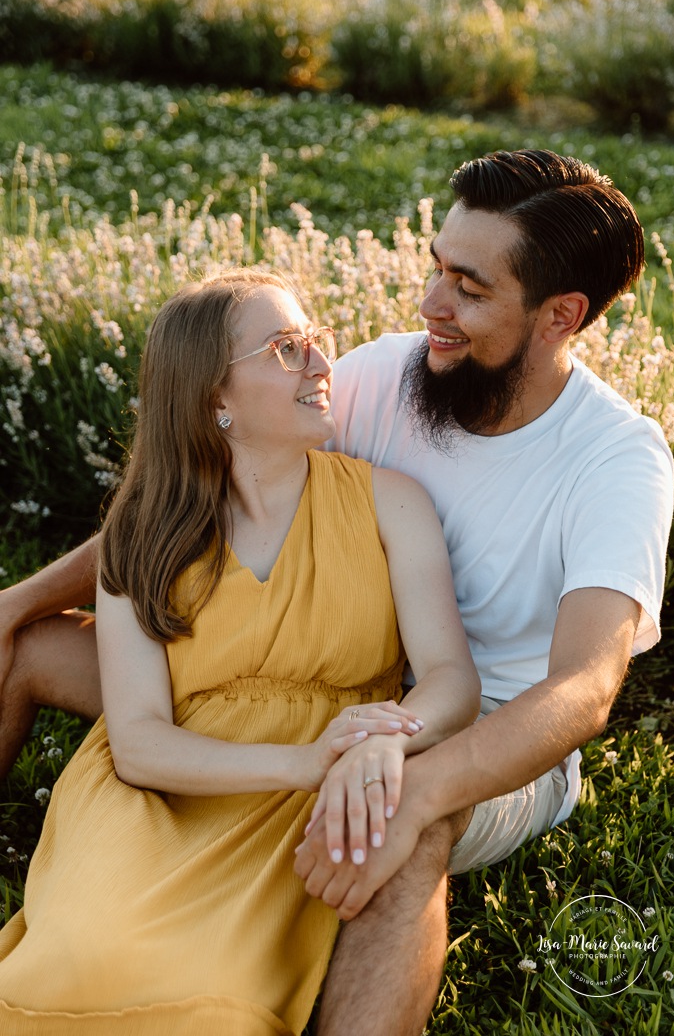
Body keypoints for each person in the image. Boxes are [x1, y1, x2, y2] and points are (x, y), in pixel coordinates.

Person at [0, 149, 674, 1034]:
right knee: (29, 644)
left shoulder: (614, 458)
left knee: (398, 824)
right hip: (296, 690)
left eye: (469, 289)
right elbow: (199, 486)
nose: (431, 305)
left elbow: (583, 690)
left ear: (560, 315)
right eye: (436, 268)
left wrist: (409, 773)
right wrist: (18, 601)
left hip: (480, 727)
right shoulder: (382, 373)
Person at [0, 268, 480, 1034]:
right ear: (212, 398)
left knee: (214, 1001)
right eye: (287, 349)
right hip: (168, 795)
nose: (324, 365)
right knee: (92, 958)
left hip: (309, 813)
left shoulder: (389, 501)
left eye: (315, 341)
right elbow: (140, 744)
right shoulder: (143, 531)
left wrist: (382, 743)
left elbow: (452, 680)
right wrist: (304, 761)